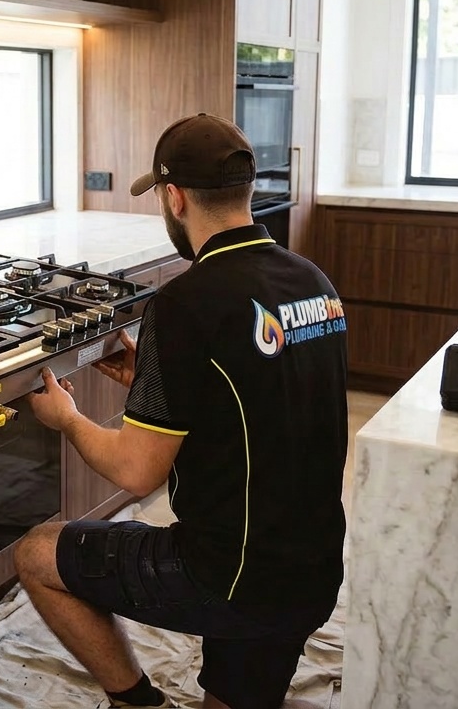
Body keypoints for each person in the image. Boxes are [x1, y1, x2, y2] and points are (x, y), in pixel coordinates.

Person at [17, 113, 349, 709]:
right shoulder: (312, 281)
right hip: (312, 570)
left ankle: (135, 702)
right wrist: (155, 378)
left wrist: (68, 418)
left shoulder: (187, 303)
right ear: (247, 192)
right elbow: (264, 393)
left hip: (228, 575)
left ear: (173, 197)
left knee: (38, 552)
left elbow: (135, 473)